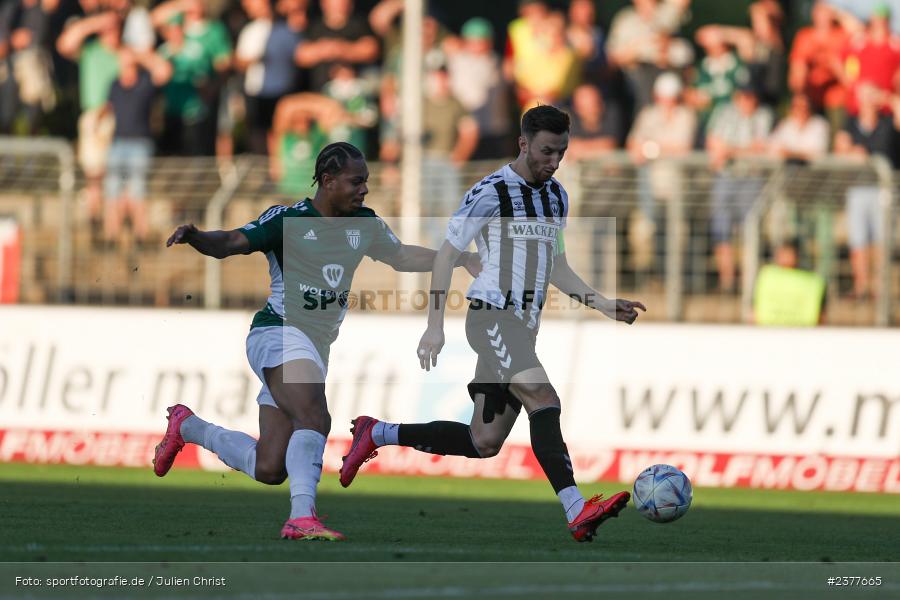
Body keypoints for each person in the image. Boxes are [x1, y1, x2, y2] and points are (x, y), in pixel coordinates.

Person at [339, 105, 647, 543]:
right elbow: (446, 256)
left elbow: (557, 265)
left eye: (561, 152)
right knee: (543, 397)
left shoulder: (557, 196)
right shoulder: (490, 191)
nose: (554, 161)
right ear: (523, 144)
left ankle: (378, 432)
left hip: (524, 327)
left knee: (483, 441)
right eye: (546, 151)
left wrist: (602, 304)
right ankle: (576, 509)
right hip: (491, 317)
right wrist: (434, 325)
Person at [154, 142, 481, 541]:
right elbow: (232, 242)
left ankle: (189, 427)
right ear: (328, 181)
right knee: (314, 417)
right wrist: (197, 236)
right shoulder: (288, 219)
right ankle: (301, 517)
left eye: (366, 181)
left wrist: (457, 258)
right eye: (356, 181)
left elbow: (402, 257)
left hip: (313, 347)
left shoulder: (365, 223)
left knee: (270, 467)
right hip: (278, 332)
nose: (364, 189)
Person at [102, 47, 172, 244]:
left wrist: (140, 56)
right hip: (117, 143)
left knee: (138, 190)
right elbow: (108, 109)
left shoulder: (145, 81)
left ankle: (141, 234)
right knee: (112, 190)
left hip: (140, 144)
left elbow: (165, 71)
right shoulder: (114, 84)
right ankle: (111, 236)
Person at [707, 85, 773, 292]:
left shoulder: (763, 116)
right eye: (743, 97)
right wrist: (739, 150)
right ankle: (726, 283)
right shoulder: (724, 113)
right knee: (722, 230)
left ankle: (749, 284)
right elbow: (714, 144)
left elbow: (761, 148)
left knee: (750, 231)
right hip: (726, 177)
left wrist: (730, 151)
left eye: (750, 97)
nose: (747, 102)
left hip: (751, 178)